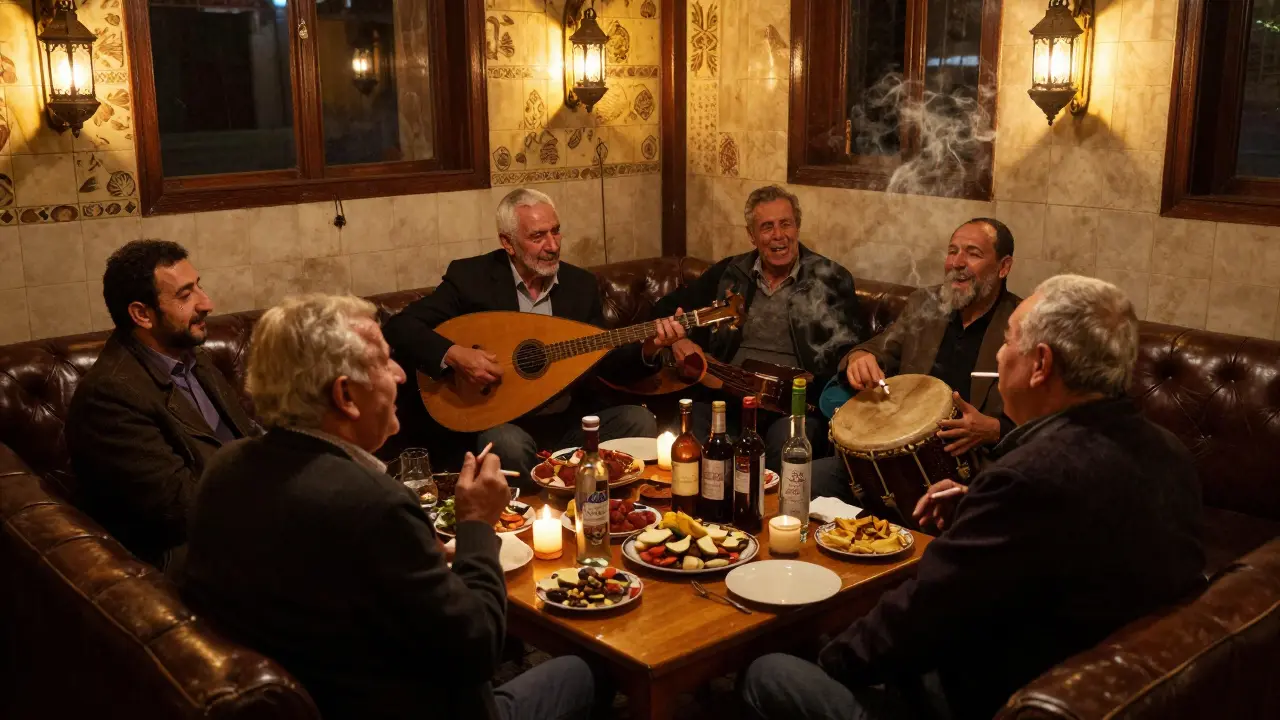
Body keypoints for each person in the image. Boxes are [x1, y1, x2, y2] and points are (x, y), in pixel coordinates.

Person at [742, 275, 1205, 720]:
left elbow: (922, 618)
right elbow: (1080, 540)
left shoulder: (1028, 479)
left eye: (1008, 341)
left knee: (768, 672)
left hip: (999, 699)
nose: (1000, 354)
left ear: (1041, 365)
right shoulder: (1171, 453)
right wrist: (978, 509)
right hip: (1116, 692)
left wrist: (828, 659)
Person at [178, 294, 596, 720]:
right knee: (585, 670)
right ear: (345, 395)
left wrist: (422, 558)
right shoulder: (373, 503)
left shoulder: (224, 468)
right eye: (383, 361)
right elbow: (479, 649)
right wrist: (477, 524)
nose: (399, 374)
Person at [383, 187, 682, 489]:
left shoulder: (579, 285)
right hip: (504, 423)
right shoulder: (472, 278)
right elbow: (401, 327)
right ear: (508, 243)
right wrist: (455, 355)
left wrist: (649, 347)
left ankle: (588, 499)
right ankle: (553, 498)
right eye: (538, 236)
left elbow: (604, 359)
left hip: (568, 421)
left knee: (638, 421)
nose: (552, 245)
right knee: (506, 445)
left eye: (556, 231)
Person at [65, 239, 258, 571]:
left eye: (199, 287)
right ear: (142, 314)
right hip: (186, 553)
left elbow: (245, 437)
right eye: (185, 295)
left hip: (243, 517)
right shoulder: (110, 395)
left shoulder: (192, 357)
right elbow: (180, 509)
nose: (207, 303)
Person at [649, 185, 860, 469]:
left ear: (797, 227)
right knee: (689, 433)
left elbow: (854, 350)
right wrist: (678, 341)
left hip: (792, 406)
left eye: (786, 224)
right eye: (767, 227)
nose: (778, 235)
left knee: (786, 446)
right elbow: (664, 310)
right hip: (725, 396)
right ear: (751, 235)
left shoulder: (831, 279)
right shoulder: (730, 273)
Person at [812, 218, 1019, 503]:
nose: (957, 263)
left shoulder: (1021, 325)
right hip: (892, 460)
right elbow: (878, 348)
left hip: (969, 471)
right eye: (952, 251)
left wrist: (994, 430)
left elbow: (1048, 425)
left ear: (1003, 267)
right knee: (807, 480)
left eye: (973, 253)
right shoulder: (925, 303)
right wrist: (861, 358)